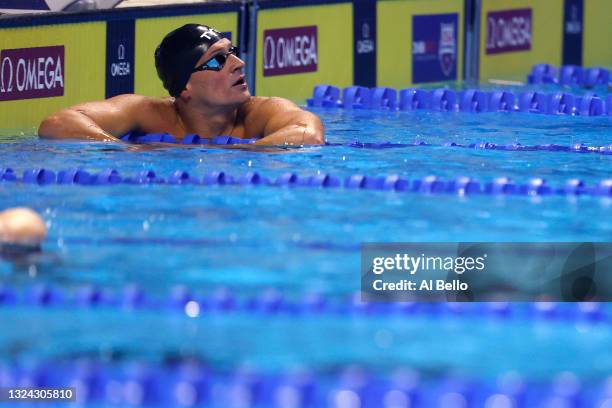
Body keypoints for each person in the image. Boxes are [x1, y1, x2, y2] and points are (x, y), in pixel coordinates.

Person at [38, 24, 324, 146]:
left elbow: (308, 134)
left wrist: (238, 152)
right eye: (218, 60)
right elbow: (56, 123)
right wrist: (123, 150)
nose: (238, 63)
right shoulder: (149, 113)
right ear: (184, 87)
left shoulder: (260, 113)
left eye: (232, 51)